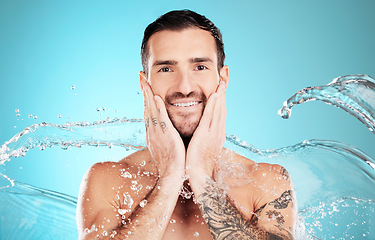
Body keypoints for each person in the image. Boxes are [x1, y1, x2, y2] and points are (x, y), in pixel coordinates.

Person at [76, 10, 297, 240]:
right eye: (166, 69)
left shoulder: (267, 181)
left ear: (223, 79)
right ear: (145, 84)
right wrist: (170, 176)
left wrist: (201, 175)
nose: (184, 87)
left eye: (200, 67)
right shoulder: (108, 180)